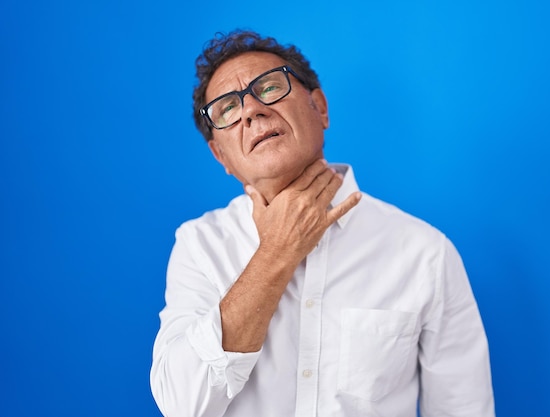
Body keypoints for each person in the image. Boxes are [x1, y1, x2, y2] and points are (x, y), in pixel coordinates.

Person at [150, 30, 495, 417]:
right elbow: (182, 405)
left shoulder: (424, 252)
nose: (250, 111)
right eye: (227, 110)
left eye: (268, 88)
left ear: (321, 107)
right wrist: (275, 254)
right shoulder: (199, 245)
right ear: (221, 157)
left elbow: (464, 409)